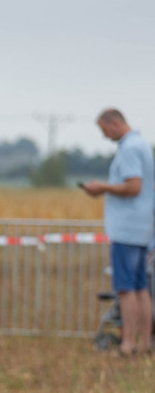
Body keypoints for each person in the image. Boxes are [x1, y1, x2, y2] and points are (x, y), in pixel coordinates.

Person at [82, 108, 155, 355]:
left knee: (126, 289)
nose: (104, 135)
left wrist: (103, 187)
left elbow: (134, 186)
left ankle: (128, 343)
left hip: (127, 229)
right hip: (142, 227)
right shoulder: (142, 144)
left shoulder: (129, 148)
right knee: (141, 288)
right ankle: (146, 343)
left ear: (114, 123)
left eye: (104, 130)